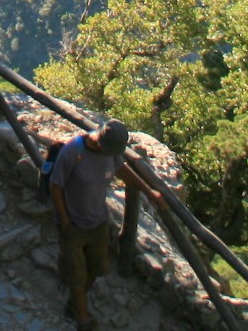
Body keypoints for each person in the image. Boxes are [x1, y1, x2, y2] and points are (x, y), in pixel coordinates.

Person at [50, 119, 165, 331]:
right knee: (77, 275)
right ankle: (83, 321)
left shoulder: (110, 153)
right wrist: (65, 223)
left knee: (98, 267)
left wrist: (150, 192)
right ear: (101, 140)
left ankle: (75, 304)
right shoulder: (73, 152)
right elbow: (55, 186)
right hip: (73, 224)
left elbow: (122, 170)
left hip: (98, 222)